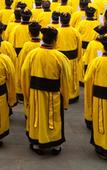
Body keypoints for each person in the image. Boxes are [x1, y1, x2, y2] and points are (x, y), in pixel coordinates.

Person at [20, 26, 71, 155]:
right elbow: (66, 80)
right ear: (55, 40)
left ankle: (37, 142)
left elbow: (24, 75)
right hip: (53, 94)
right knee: (53, 118)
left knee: (37, 116)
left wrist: (27, 95)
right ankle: (55, 144)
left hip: (35, 94)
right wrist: (65, 100)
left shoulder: (32, 54)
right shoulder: (60, 57)